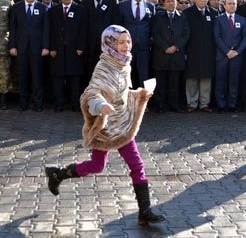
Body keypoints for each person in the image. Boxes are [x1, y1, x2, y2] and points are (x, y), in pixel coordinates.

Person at [44, 25, 166, 226]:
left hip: (123, 126)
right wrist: (100, 105)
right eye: (120, 42)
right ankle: (58, 174)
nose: (126, 46)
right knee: (97, 166)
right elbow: (92, 93)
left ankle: (144, 211)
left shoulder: (124, 64)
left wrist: (140, 94)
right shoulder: (103, 67)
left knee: (137, 165)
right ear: (109, 43)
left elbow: (123, 93)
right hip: (106, 126)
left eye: (127, 41)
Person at [9, 0, 50, 111]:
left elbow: (46, 30)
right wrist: (12, 46)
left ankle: (38, 103)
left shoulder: (43, 8)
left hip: (37, 49)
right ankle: (23, 103)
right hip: (21, 48)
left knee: (37, 77)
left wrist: (45, 47)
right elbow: (12, 28)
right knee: (22, 77)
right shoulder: (16, 7)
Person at [50, 0, 88, 112]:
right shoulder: (53, 11)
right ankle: (59, 104)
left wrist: (81, 47)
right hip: (58, 50)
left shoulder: (81, 10)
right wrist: (52, 48)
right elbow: (51, 31)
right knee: (58, 78)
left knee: (75, 79)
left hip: (75, 50)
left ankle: (75, 104)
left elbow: (84, 31)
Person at [151, 0, 190, 113]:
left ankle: (174, 105)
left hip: (176, 55)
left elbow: (186, 34)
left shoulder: (182, 16)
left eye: (173, 1)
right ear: (164, 3)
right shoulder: (158, 16)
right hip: (161, 55)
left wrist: (175, 47)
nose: (170, 3)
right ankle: (161, 105)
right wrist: (165, 47)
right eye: (168, 1)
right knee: (161, 83)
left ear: (176, 3)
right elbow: (155, 34)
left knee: (174, 83)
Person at [184, 0, 217, 113]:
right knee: (191, 77)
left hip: (208, 51)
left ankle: (204, 103)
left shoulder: (213, 13)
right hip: (192, 50)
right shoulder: (187, 13)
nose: (202, 0)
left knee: (206, 78)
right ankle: (191, 103)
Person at [214, 0, 246, 113]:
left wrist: (237, 51)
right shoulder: (218, 19)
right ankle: (221, 104)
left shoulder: (242, 20)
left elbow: (245, 38)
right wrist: (227, 51)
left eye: (234, 3)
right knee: (220, 81)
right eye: (229, 3)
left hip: (236, 56)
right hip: (222, 56)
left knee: (234, 81)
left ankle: (232, 104)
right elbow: (217, 37)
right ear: (224, 5)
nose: (232, 5)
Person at [81, 0, 119, 85]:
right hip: (90, 45)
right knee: (91, 72)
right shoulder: (85, 3)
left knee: (107, 73)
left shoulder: (112, 1)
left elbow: (115, 23)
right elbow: (83, 26)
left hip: (107, 45)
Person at [118, 0, 155, 87]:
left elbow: (152, 26)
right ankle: (125, 100)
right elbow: (119, 25)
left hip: (144, 47)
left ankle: (144, 101)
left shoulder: (150, 6)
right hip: (126, 47)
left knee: (144, 76)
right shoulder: (122, 6)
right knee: (125, 75)